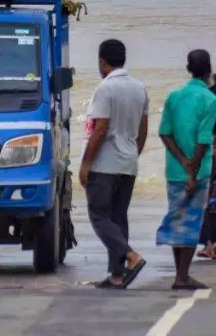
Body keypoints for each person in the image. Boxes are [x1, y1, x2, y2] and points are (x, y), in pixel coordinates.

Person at [80, 39, 149, 289]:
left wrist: (86, 163)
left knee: (99, 216)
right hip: (128, 163)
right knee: (119, 218)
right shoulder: (139, 88)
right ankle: (117, 275)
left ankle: (131, 257)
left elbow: (100, 128)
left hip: (104, 164)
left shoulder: (105, 89)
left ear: (102, 62)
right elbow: (143, 129)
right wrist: (133, 154)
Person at [156, 49, 216, 290]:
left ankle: (179, 274)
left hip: (174, 169)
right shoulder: (210, 100)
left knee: (177, 217)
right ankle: (182, 276)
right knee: (192, 221)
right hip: (199, 171)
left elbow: (165, 133)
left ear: (188, 68)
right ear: (209, 70)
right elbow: (204, 140)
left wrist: (182, 161)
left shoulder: (174, 96)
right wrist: (192, 171)